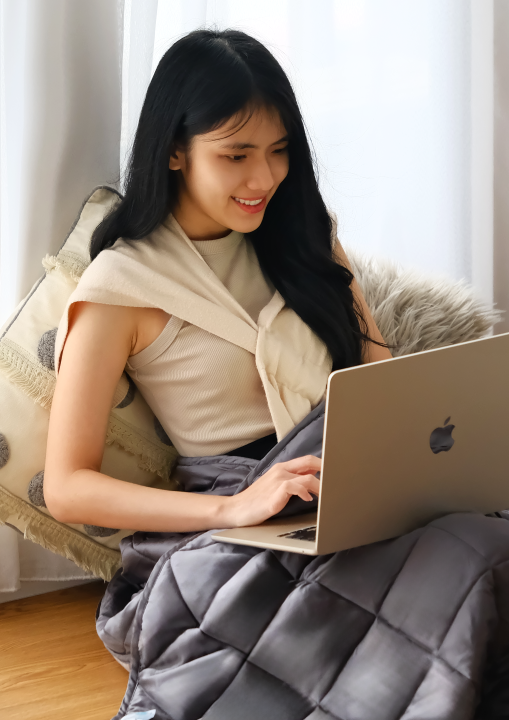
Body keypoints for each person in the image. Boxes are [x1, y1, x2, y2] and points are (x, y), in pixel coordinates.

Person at [44, 29, 392, 535]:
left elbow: (380, 381)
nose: (265, 178)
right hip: (250, 524)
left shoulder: (305, 235)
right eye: (236, 155)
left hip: (361, 486)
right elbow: (66, 487)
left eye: (279, 150)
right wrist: (234, 508)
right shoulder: (121, 288)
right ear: (174, 152)